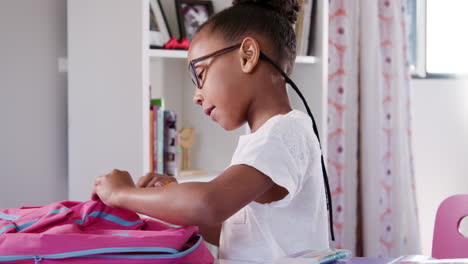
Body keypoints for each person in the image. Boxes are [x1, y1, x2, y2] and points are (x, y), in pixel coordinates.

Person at [91, 0, 334, 262]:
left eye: (201, 74)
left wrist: (122, 194)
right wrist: (171, 197)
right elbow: (233, 234)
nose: (197, 96)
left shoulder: (285, 132)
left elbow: (208, 205)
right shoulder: (265, 140)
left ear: (247, 55)